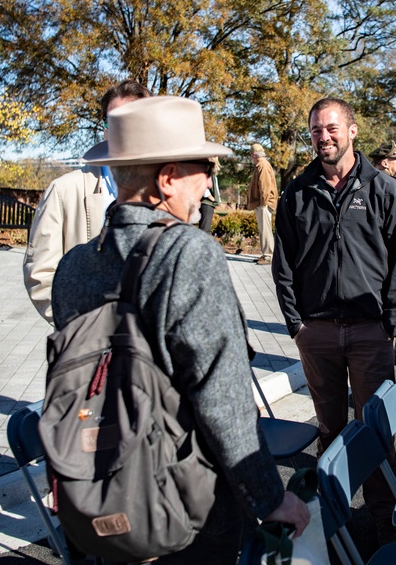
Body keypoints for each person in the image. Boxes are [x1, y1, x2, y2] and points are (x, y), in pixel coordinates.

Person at [51, 96, 308, 562]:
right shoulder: (189, 253)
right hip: (183, 510)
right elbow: (223, 400)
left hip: (99, 490)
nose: (210, 181)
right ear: (168, 179)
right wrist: (270, 498)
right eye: (203, 167)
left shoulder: (72, 267)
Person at [273, 98, 396, 541]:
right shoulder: (297, 192)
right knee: (330, 431)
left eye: (331, 128)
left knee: (375, 431)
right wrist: (297, 324)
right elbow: (283, 265)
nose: (323, 137)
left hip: (370, 331)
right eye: (315, 130)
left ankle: (383, 519)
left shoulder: (384, 190)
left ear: (352, 131)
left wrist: (391, 324)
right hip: (316, 332)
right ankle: (332, 521)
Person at [24, 80, 152, 325]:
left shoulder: (163, 191)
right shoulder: (64, 191)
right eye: (113, 122)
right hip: (88, 344)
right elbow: (40, 274)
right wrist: (81, 327)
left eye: (132, 121)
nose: (122, 131)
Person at [247, 142, 278, 266]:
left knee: (265, 229)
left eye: (250, 154)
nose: (250, 157)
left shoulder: (263, 165)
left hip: (264, 203)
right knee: (263, 229)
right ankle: (266, 253)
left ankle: (268, 255)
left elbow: (265, 185)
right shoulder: (261, 165)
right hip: (262, 203)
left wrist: (263, 203)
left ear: (254, 155)